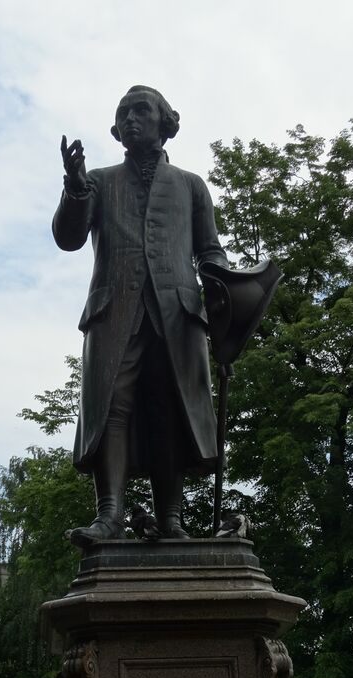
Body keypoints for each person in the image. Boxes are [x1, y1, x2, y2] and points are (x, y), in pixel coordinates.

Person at [53, 85, 229, 544]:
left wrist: (227, 288)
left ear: (164, 122)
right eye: (123, 113)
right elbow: (68, 238)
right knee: (111, 407)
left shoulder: (191, 185)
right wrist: (75, 188)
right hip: (115, 312)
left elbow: (210, 251)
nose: (130, 119)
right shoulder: (99, 182)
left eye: (140, 110)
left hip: (176, 315)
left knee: (170, 408)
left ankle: (171, 519)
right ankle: (110, 515)